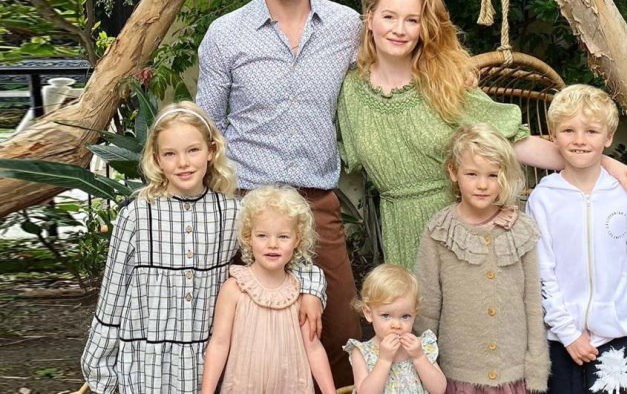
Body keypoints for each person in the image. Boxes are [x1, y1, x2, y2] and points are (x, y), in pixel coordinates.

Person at [337, 0, 627, 269]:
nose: (399, 29)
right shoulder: (350, 91)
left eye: (412, 20)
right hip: (398, 231)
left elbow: (515, 141)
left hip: (460, 228)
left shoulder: (443, 84)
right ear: (370, 19)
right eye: (389, 17)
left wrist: (601, 163)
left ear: (425, 28)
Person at [195, 0, 362, 387]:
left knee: (340, 334)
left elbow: (388, 86)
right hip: (245, 210)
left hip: (316, 204)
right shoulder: (226, 35)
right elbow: (207, 128)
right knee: (247, 337)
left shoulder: (347, 28)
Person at [80, 102, 325, 393]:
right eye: (170, 154)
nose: (183, 163)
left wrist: (311, 290)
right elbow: (112, 297)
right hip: (146, 361)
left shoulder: (232, 212)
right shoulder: (137, 214)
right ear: (157, 159)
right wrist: (100, 370)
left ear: (211, 151)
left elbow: (280, 252)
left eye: (193, 150)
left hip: (203, 359)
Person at [525, 84, 627, 394]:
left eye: (591, 131)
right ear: (553, 136)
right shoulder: (543, 199)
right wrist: (568, 333)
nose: (580, 140)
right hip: (560, 339)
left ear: (608, 137)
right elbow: (541, 272)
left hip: (618, 335)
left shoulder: (626, 196)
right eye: (568, 130)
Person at [414, 123, 549, 393]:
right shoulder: (439, 231)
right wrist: (425, 368)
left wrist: (536, 370)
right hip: (458, 374)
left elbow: (533, 303)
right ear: (453, 172)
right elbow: (427, 304)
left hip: (512, 374)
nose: (483, 185)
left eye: (493, 175)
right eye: (472, 174)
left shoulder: (521, 230)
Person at [201, 186, 336, 393]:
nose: (273, 244)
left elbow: (313, 348)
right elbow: (219, 344)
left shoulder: (299, 293)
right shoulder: (234, 289)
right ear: (248, 237)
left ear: (297, 240)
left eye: (283, 237)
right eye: (262, 235)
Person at [344, 264, 447, 394]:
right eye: (386, 315)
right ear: (369, 313)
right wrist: (384, 361)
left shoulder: (421, 346)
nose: (396, 325)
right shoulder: (362, 353)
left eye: (405, 316)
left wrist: (419, 357)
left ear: (414, 315)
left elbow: (439, 389)